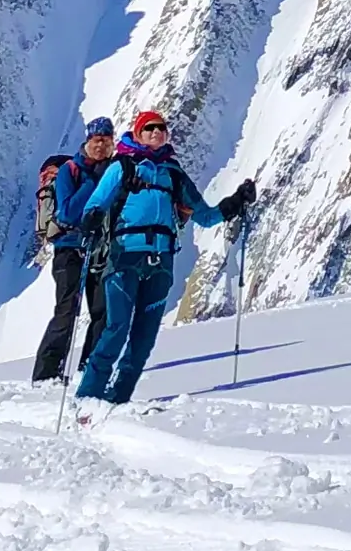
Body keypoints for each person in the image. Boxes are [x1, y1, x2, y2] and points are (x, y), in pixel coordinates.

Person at [74, 110, 254, 412]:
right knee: (116, 328)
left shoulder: (173, 174)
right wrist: (91, 218)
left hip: (161, 262)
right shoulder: (123, 166)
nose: (156, 132)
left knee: (144, 337)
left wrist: (237, 201)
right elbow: (97, 202)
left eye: (161, 128)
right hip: (124, 257)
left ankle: (118, 398)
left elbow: (206, 216)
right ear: (139, 132)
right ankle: (88, 396)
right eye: (149, 128)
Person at [30, 118, 118, 382]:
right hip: (69, 248)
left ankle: (89, 369)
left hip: (100, 249)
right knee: (67, 311)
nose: (100, 145)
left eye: (106, 140)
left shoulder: (113, 171)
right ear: (87, 141)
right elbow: (67, 211)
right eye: (96, 140)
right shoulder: (70, 171)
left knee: (103, 311)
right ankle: (46, 374)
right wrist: (97, 185)